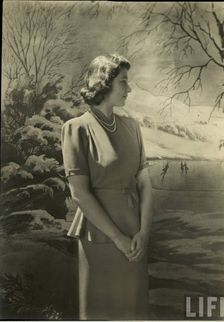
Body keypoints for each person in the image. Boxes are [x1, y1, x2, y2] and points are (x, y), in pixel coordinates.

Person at [61, 54, 153, 320]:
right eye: (123, 82)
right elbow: (80, 193)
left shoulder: (132, 127)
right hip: (100, 235)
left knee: (133, 310)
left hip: (135, 235)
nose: (129, 88)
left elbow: (146, 186)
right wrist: (118, 238)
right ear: (103, 83)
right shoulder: (76, 129)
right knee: (101, 311)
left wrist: (143, 234)